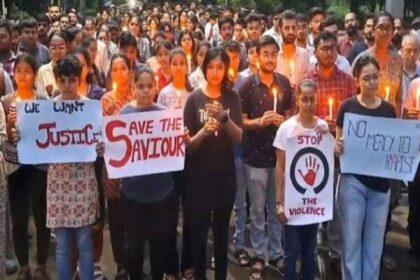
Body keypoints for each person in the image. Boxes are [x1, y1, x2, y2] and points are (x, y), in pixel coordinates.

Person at [184, 46, 243, 280]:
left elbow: (239, 136)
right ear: (204, 68)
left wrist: (224, 118)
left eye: (220, 67)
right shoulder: (194, 98)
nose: (215, 72)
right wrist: (203, 133)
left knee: (221, 234)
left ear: (226, 69)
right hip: (199, 176)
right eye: (210, 67)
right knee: (199, 235)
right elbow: (188, 145)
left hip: (225, 175)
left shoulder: (232, 97)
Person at [335, 55, 396, 280]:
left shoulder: (389, 110)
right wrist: (338, 147)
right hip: (353, 183)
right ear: (357, 81)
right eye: (366, 78)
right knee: (351, 243)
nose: (371, 82)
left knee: (374, 245)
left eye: (374, 77)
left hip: (381, 186)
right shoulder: (347, 107)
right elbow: (338, 143)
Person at [238, 35, 293, 280]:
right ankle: (259, 253)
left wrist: (284, 122)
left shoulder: (284, 84)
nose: (270, 59)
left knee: (277, 207)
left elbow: (291, 117)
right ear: (257, 55)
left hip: (279, 158)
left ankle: (276, 252)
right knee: (258, 209)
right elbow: (240, 121)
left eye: (274, 54)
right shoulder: (247, 85)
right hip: (255, 157)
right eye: (265, 54)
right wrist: (260, 122)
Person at [118, 65, 176, 280]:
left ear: (156, 88)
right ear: (133, 88)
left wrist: (181, 139)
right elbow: (118, 149)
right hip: (132, 194)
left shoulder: (165, 115)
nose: (145, 90)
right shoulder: (124, 114)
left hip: (161, 193)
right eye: (140, 86)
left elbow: (175, 149)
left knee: (158, 244)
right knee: (134, 247)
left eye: (149, 86)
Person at [2, 54, 50, 280]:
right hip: (16, 168)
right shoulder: (5, 102)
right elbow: (4, 142)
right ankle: (24, 266)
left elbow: (50, 132)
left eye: (27, 71)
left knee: (42, 216)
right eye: (18, 71)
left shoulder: (43, 101)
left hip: (39, 167)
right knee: (19, 218)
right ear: (14, 74)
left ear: (34, 75)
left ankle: (41, 264)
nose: (22, 76)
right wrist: (11, 130)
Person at [274, 79, 328, 280]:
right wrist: (279, 203)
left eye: (311, 99)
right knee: (290, 252)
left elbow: (328, 164)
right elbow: (279, 167)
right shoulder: (285, 128)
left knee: (310, 252)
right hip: (291, 202)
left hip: (312, 204)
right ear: (297, 100)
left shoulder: (322, 127)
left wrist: (331, 140)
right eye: (304, 99)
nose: (308, 104)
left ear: (317, 100)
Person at [157, 47, 194, 280]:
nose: (179, 67)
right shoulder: (163, 93)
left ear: (187, 66)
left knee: (190, 214)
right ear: (169, 67)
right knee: (169, 215)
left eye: (182, 63)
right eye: (175, 63)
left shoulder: (195, 93)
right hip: (169, 161)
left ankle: (188, 264)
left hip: (191, 159)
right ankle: (170, 266)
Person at [101, 54, 135, 279]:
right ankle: (121, 263)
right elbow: (102, 135)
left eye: (124, 68)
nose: (120, 73)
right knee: (116, 217)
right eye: (115, 69)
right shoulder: (106, 100)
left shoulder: (138, 96)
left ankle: (135, 259)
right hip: (113, 166)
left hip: (136, 168)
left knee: (135, 215)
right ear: (110, 73)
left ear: (130, 72)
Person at [404, 73, 420, 271]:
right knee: (416, 204)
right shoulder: (415, 85)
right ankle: (416, 249)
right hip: (418, 153)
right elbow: (407, 116)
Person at [275, 10, 310, 89]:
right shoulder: (274, 55)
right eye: (287, 28)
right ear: (280, 30)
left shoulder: (304, 55)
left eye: (294, 28)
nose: (291, 32)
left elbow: (306, 83)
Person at [36, 31, 69, 97]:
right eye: (54, 48)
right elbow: (40, 97)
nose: (57, 51)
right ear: (49, 49)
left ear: (67, 48)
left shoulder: (73, 69)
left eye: (61, 48)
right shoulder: (42, 71)